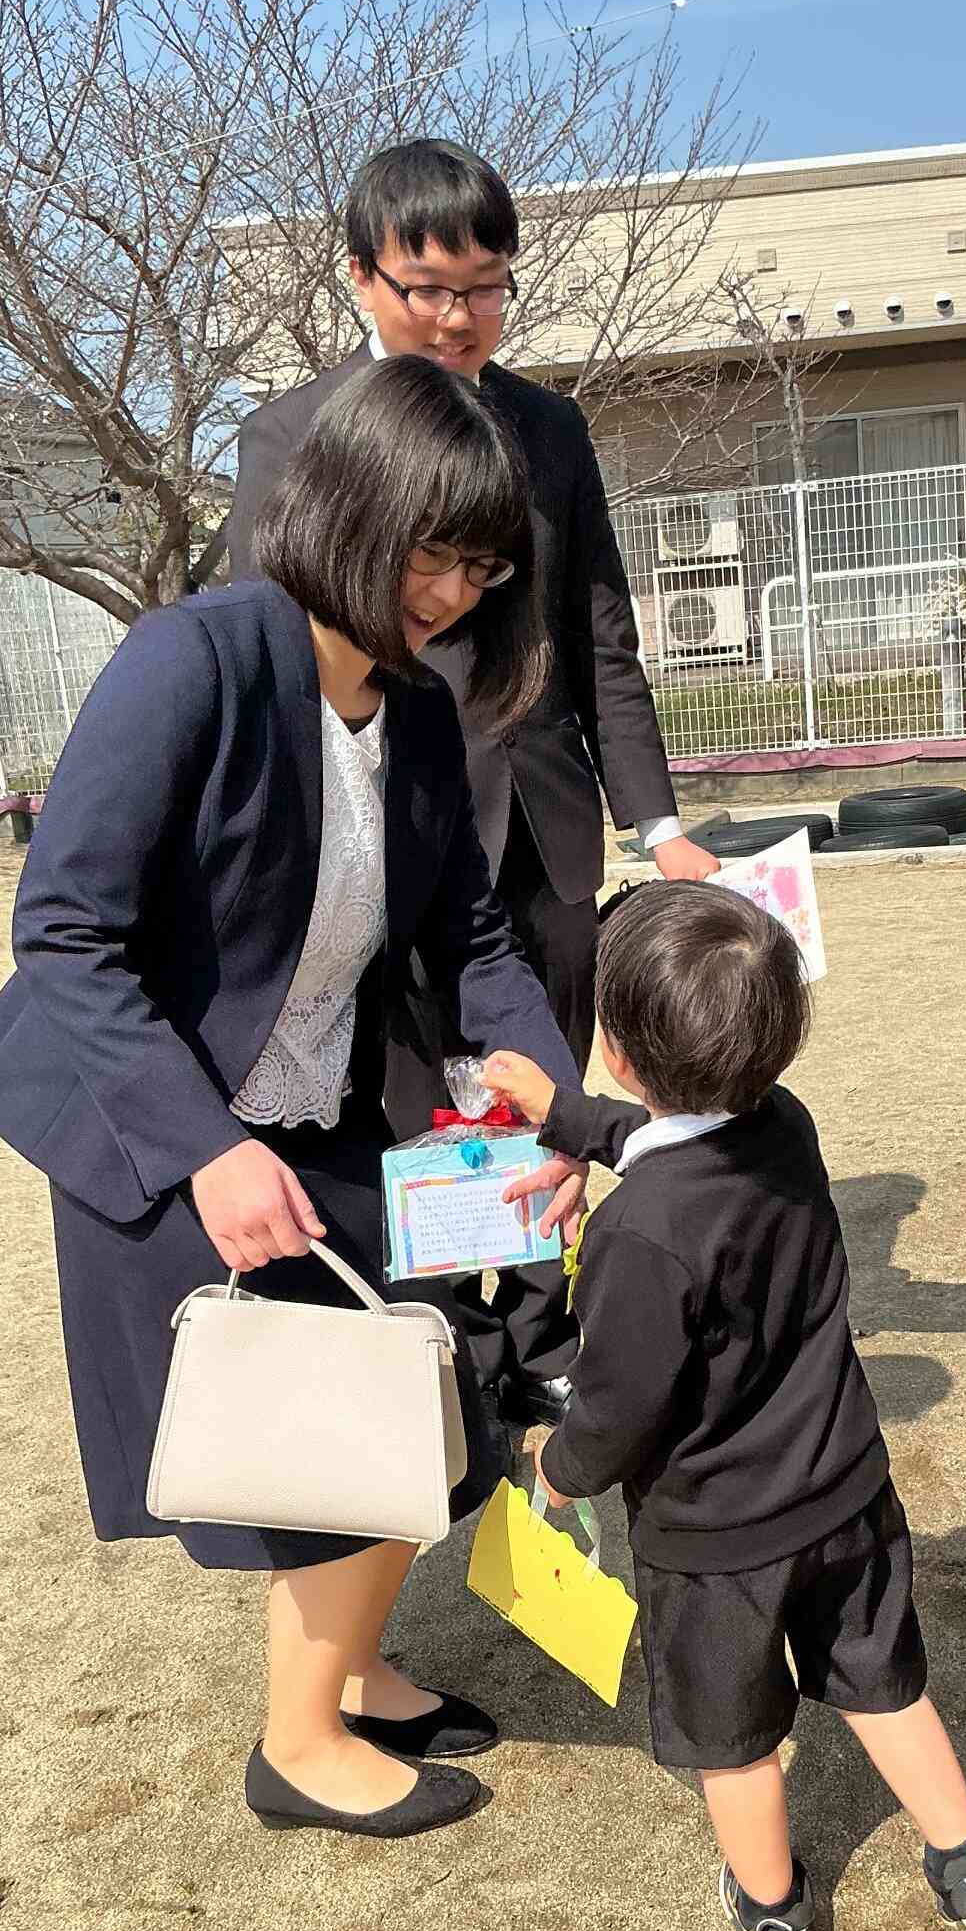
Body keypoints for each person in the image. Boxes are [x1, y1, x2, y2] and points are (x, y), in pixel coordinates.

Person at [0, 356, 588, 1841]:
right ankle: (296, 1749)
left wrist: (548, 1099)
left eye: (481, 564)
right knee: (319, 1426)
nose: (448, 591)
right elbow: (62, 925)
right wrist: (203, 1155)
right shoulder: (198, 658)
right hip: (154, 1114)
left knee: (434, 1359)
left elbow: (476, 938)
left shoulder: (421, 714)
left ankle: (356, 1671)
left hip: (318, 1106)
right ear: (349, 512)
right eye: (430, 549)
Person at [228, 138, 719, 1433]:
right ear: (360, 279)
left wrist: (655, 824)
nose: (455, 317)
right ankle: (449, 1331)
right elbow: (268, 648)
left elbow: (598, 632)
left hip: (543, 825)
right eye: (424, 287)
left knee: (538, 1073)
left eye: (484, 287)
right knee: (404, 1092)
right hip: (374, 827)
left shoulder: (549, 428)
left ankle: (542, 1324)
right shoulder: (292, 435)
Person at [484, 888, 966, 1931]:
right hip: (844, 1490)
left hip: (714, 1537)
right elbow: (671, 1136)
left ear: (614, 1046)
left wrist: (561, 1466)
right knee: (884, 1679)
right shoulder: (786, 1124)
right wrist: (573, 1118)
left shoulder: (643, 1229)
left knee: (734, 1733)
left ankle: (777, 1909)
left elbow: (619, 1400)